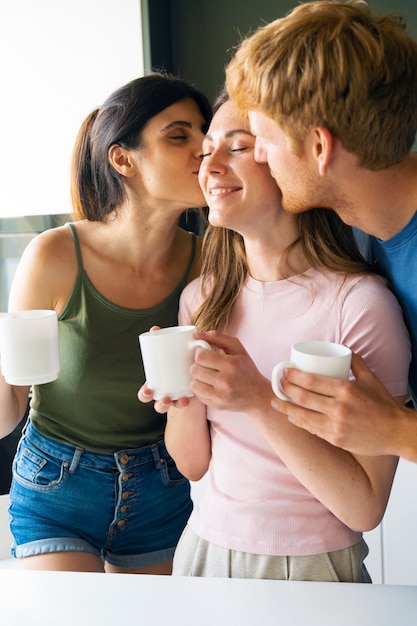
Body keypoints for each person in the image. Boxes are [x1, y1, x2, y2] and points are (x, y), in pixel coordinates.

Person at [143, 93, 410, 581]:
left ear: (290, 160)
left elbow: (364, 507)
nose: (210, 167)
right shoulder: (200, 299)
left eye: (239, 147)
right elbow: (192, 465)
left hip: (313, 567)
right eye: (206, 153)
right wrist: (180, 394)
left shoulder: (361, 306)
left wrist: (259, 399)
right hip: (205, 551)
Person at [0, 72, 212, 573]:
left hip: (161, 487)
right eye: (179, 136)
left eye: (207, 133)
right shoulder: (55, 254)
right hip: (57, 484)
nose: (206, 149)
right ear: (123, 159)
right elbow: (8, 408)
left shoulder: (208, 263)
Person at [224, 0, 417, 462]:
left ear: (319, 147)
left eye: (263, 141)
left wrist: (398, 432)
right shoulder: (362, 223)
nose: (261, 158)